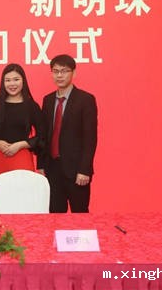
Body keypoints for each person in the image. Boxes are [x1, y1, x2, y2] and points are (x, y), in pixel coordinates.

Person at [42, 54, 98, 213]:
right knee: (54, 215)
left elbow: (90, 138)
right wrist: (41, 165)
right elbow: (45, 135)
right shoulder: (47, 100)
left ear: (74, 73)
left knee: (80, 215)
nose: (59, 75)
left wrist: (85, 169)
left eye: (64, 71)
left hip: (76, 171)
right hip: (53, 169)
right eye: (56, 71)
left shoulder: (85, 99)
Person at [0, 63, 46, 177]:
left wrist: (21, 145)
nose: (12, 84)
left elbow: (42, 136)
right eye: (7, 80)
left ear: (23, 81)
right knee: (1, 188)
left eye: (16, 79)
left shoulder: (32, 106)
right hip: (0, 157)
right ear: (3, 83)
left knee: (24, 187)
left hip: (22, 156)